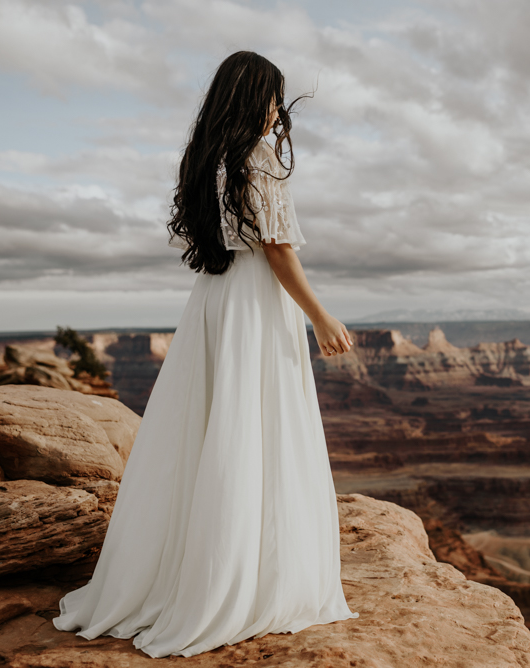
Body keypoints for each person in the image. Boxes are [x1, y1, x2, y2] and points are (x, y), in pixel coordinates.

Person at [52, 50, 360, 658]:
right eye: (273, 95)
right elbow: (276, 249)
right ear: (255, 98)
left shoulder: (209, 158)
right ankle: (245, 580)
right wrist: (320, 314)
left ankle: (196, 569)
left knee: (212, 428)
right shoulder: (258, 156)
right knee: (257, 427)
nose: (278, 108)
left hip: (215, 301)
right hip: (256, 304)